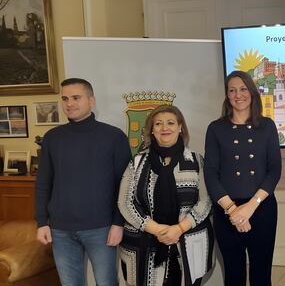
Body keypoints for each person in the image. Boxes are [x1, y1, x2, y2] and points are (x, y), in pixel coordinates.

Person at [35, 78, 131, 285]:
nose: (70, 103)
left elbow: (124, 185)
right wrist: (42, 222)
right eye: (65, 98)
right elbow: (43, 183)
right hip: (60, 230)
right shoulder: (52, 137)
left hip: (102, 228)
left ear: (91, 100)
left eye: (76, 98)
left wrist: (118, 223)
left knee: (106, 282)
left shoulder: (114, 137)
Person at [118, 105, 214, 285]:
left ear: (180, 128)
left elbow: (205, 200)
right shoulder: (137, 162)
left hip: (187, 242)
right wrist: (158, 230)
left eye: (170, 123)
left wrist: (178, 229)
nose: (164, 128)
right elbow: (125, 202)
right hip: (145, 245)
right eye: (158, 124)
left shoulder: (196, 160)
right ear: (152, 130)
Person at [204, 70, 282, 285]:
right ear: (227, 95)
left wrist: (250, 207)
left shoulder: (267, 126)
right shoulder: (216, 128)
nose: (238, 95)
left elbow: (274, 169)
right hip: (227, 211)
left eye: (243, 89)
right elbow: (210, 172)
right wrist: (232, 210)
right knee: (233, 274)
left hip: (261, 208)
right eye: (232, 90)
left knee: (261, 274)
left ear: (252, 92)